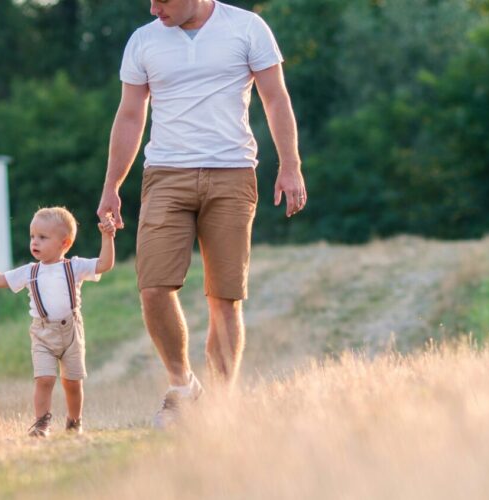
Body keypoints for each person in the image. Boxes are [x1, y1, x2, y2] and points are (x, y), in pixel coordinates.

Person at [94, 0, 307, 429]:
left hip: (233, 173)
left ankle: (223, 407)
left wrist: (290, 164)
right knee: (153, 286)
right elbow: (131, 115)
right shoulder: (143, 41)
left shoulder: (248, 28)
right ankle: (183, 386)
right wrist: (111, 185)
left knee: (224, 298)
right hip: (165, 174)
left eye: (162, 0)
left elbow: (275, 98)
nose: (154, 9)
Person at [0, 207, 116, 437]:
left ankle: (75, 422)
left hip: (72, 332)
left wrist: (108, 236)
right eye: (32, 236)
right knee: (44, 379)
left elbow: (105, 264)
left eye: (43, 238)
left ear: (64, 243)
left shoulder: (74, 267)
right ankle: (41, 423)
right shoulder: (30, 271)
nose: (34, 242)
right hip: (42, 333)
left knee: (72, 383)